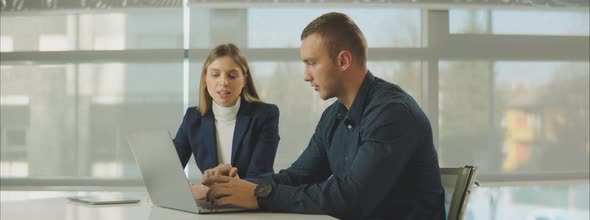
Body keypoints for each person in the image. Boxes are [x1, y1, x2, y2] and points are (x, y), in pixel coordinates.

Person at [202, 12, 445, 219]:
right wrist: (235, 186)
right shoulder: (333, 116)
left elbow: (351, 198)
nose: (306, 76)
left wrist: (259, 195)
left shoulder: (392, 113)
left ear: (343, 60)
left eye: (312, 63)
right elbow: (296, 178)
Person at [173, 43, 280, 200]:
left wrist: (210, 191)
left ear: (244, 80)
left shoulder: (265, 115)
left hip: (252, 204)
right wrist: (188, 189)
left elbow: (260, 176)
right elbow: (170, 171)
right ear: (205, 79)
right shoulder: (193, 118)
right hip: (212, 204)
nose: (223, 82)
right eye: (215, 75)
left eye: (232, 75)